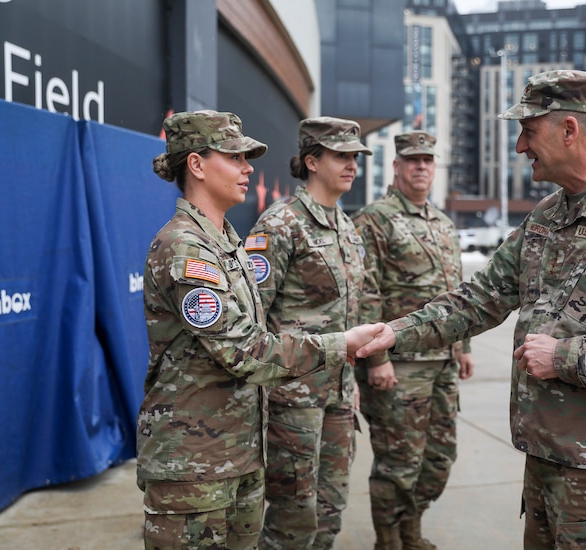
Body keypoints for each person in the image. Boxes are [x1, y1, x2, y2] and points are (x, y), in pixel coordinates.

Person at [355, 70, 586, 548]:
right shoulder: (548, 216)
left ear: (569, 129)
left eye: (528, 131)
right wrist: (398, 332)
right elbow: (481, 297)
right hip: (544, 451)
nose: (520, 147)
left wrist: (566, 357)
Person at [137, 110, 376, 550]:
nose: (249, 168)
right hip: (194, 464)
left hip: (239, 454)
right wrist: (339, 346)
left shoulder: (225, 241)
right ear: (197, 165)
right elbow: (243, 348)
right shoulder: (184, 248)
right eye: (235, 157)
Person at [246, 116, 371, 549]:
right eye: (341, 155)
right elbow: (252, 313)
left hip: (337, 393)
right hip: (292, 398)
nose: (352, 164)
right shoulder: (281, 223)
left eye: (355, 157)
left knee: (330, 509)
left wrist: (350, 383)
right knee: (292, 516)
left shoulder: (348, 229)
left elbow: (350, 313)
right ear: (312, 161)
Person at [351, 131, 475, 550]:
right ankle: (389, 540)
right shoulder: (375, 219)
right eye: (413, 160)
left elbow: (456, 293)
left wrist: (464, 346)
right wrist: (376, 358)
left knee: (438, 458)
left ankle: (411, 530)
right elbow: (364, 292)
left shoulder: (441, 222)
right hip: (399, 364)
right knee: (398, 461)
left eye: (428, 160)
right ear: (397, 167)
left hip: (441, 361)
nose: (422, 166)